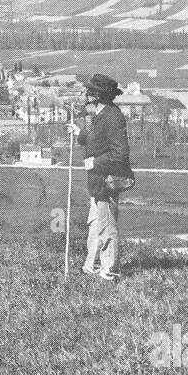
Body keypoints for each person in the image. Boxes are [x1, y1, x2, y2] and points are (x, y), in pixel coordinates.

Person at [67, 74, 135, 280]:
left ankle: (110, 270)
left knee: (107, 226)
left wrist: (94, 163)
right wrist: (79, 132)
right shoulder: (100, 114)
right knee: (96, 222)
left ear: (97, 96)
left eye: (89, 91)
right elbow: (95, 139)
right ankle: (93, 265)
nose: (85, 94)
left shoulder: (113, 117)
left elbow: (120, 153)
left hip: (108, 179)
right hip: (98, 181)